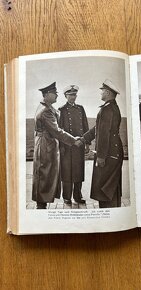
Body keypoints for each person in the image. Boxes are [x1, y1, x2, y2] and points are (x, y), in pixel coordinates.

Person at [32, 82, 81, 209]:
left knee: (46, 175)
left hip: (46, 145)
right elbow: (57, 131)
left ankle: (41, 205)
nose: (57, 96)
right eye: (55, 93)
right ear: (47, 94)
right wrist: (73, 140)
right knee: (44, 175)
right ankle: (40, 207)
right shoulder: (46, 111)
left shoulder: (46, 108)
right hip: (45, 146)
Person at [78, 80, 124, 208]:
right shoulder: (112, 107)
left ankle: (109, 213)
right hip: (114, 151)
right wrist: (83, 139)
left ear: (108, 92)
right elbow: (97, 128)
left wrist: (101, 156)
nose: (101, 92)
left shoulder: (107, 109)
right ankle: (113, 210)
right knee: (111, 186)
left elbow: (104, 134)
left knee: (105, 187)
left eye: (102, 90)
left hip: (108, 153)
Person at [58, 85, 89, 205]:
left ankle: (77, 196)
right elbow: (59, 130)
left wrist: (87, 143)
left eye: (74, 94)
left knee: (78, 171)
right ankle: (66, 197)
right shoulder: (61, 110)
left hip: (79, 145)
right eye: (70, 95)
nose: (73, 97)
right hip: (66, 146)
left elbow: (85, 126)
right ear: (65, 96)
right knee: (66, 172)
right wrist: (61, 146)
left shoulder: (81, 109)